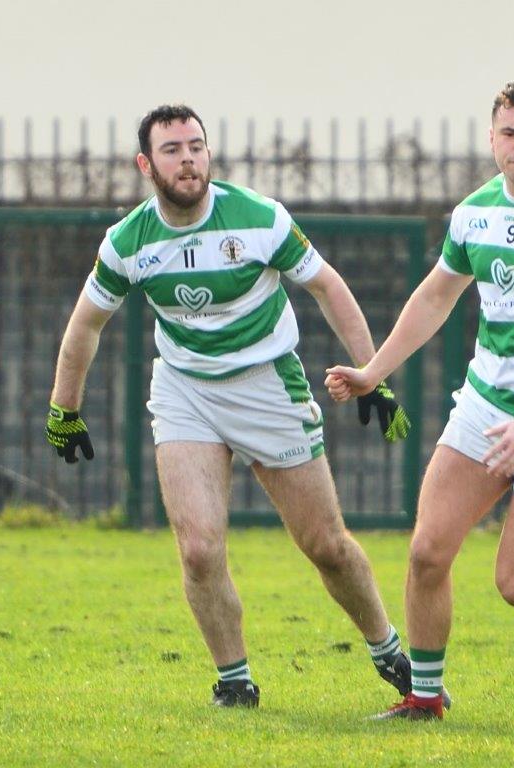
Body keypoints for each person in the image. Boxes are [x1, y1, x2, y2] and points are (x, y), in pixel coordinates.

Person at [44, 104, 413, 708]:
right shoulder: (128, 241)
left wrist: (373, 375)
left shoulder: (260, 217)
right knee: (198, 548)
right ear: (146, 164)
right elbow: (86, 324)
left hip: (268, 384)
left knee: (325, 544)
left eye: (196, 146)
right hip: (186, 390)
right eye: (171, 149)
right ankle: (234, 681)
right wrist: (65, 409)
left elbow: (327, 285)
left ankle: (386, 646)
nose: (187, 158)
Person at [324, 82, 514, 721]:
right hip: (485, 404)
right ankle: (424, 698)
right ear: (491, 139)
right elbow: (437, 296)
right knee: (426, 551)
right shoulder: (473, 213)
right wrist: (371, 371)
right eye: (509, 134)